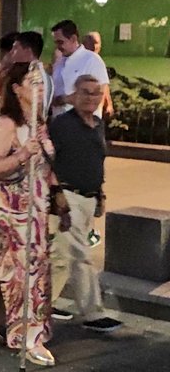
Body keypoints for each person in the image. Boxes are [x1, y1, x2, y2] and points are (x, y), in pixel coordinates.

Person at [0, 62, 57, 365]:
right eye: (33, 83)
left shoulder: (39, 123)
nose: (39, 88)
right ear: (17, 89)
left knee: (8, 274)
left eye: (41, 83)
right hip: (12, 217)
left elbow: (45, 164)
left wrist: (57, 193)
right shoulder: (7, 125)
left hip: (38, 212)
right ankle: (28, 337)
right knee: (22, 276)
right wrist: (20, 156)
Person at [47, 75, 122, 332]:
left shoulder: (98, 124)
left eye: (96, 93)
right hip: (68, 198)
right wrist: (56, 197)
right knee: (78, 255)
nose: (91, 98)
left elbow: (95, 161)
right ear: (74, 95)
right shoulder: (62, 125)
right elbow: (48, 161)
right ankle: (92, 313)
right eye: (85, 92)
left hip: (88, 199)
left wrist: (100, 194)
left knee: (64, 256)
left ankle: (41, 305)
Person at [51, 20, 111, 116]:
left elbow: (99, 94)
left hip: (83, 124)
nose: (58, 47)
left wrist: (64, 99)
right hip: (59, 123)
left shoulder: (92, 60)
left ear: (73, 39)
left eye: (60, 42)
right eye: (56, 43)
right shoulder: (59, 62)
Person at [10, 31, 54, 116]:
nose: (11, 52)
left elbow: (40, 108)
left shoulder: (38, 76)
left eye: (15, 48)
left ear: (27, 51)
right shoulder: (20, 72)